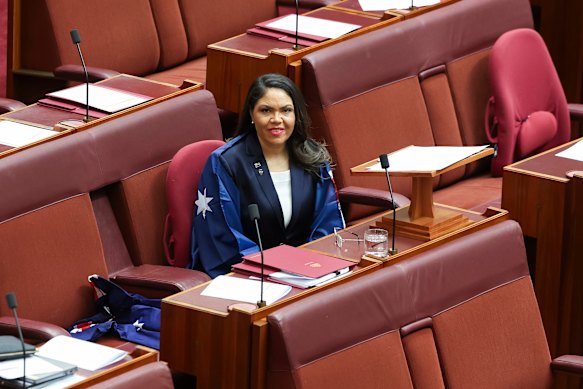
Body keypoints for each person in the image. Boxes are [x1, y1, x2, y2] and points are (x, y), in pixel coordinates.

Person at [190, 73, 345, 277]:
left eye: (286, 110)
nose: (276, 119)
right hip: (251, 277)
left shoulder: (313, 157)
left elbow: (327, 222)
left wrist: (312, 266)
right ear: (252, 115)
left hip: (307, 274)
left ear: (296, 114)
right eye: (266, 110)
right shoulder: (226, 163)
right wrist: (272, 271)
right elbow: (225, 235)